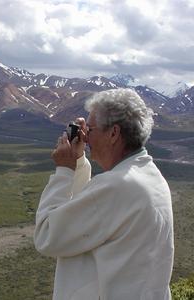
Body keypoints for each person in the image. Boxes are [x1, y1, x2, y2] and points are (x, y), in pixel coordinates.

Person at [34, 88, 174, 300]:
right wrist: (79, 162)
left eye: (89, 130)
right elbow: (87, 215)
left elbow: (47, 235)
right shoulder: (149, 177)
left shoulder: (119, 186)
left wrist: (64, 171)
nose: (86, 137)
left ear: (113, 133)